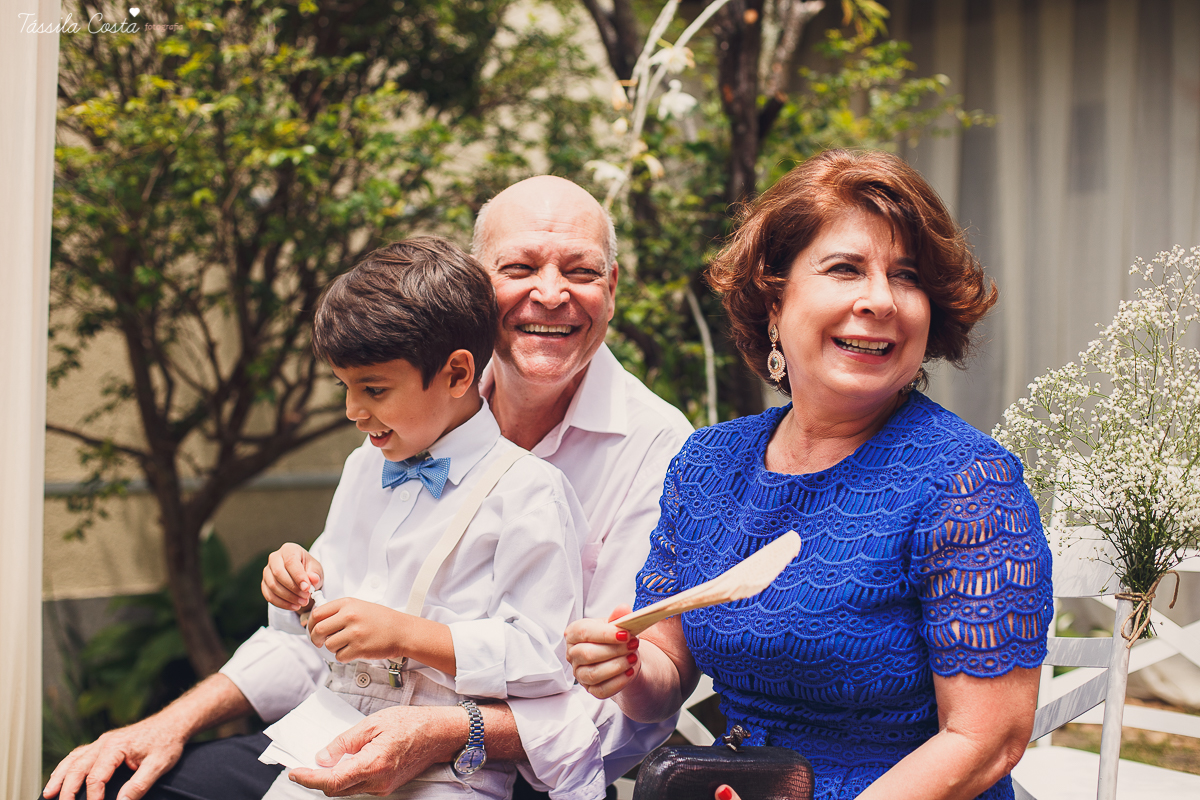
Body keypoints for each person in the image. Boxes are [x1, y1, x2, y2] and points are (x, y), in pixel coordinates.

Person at [43, 177, 693, 800]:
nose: (550, 294)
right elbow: (313, 643)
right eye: (519, 268)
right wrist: (174, 717)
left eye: (579, 271)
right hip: (348, 727)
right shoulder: (391, 435)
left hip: (517, 771)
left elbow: (597, 700)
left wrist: (438, 724)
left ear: (610, 286)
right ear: (475, 284)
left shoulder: (651, 450)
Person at [565, 149, 1054, 800]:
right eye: (846, 269)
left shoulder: (967, 482)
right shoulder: (708, 465)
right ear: (774, 300)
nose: (880, 300)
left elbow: (984, 740)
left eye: (905, 277)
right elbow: (664, 679)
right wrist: (622, 668)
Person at [252, 236, 588, 799]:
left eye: (374, 389)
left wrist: (409, 635)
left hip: (448, 772)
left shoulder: (529, 492)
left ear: (458, 374)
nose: (354, 411)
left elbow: (545, 658)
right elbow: (324, 611)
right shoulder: (365, 467)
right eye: (346, 387)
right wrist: (296, 584)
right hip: (331, 741)